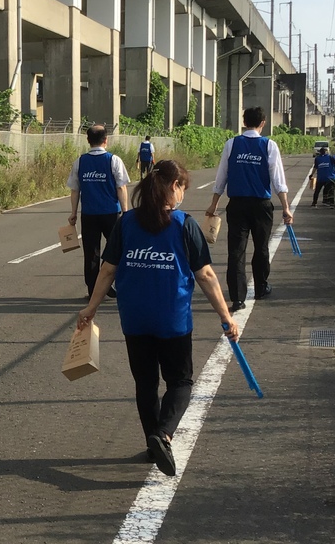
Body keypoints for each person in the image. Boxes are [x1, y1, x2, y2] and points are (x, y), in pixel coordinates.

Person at [77, 160, 240, 477]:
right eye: (183, 188)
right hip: (172, 319)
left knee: (146, 382)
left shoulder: (126, 223)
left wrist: (91, 308)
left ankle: (153, 444)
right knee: (180, 381)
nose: (183, 195)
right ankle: (163, 435)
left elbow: (108, 269)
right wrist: (226, 316)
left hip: (135, 318)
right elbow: (205, 275)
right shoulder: (183, 224)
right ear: (175, 186)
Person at [204, 107, 293, 312]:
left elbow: (221, 176)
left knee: (236, 251)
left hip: (236, 204)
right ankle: (261, 287)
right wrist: (286, 208)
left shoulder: (231, 144)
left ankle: (237, 298)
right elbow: (278, 180)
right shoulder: (269, 145)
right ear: (263, 123)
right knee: (261, 247)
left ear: (244, 122)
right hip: (261, 205)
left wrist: (214, 203)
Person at [68, 124, 131, 299]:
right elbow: (121, 187)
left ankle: (93, 289)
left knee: (91, 253)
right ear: (106, 140)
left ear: (88, 140)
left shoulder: (80, 161)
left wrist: (73, 213)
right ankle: (107, 284)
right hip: (111, 213)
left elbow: (75, 190)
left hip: (88, 214)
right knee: (116, 250)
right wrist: (125, 212)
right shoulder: (114, 160)